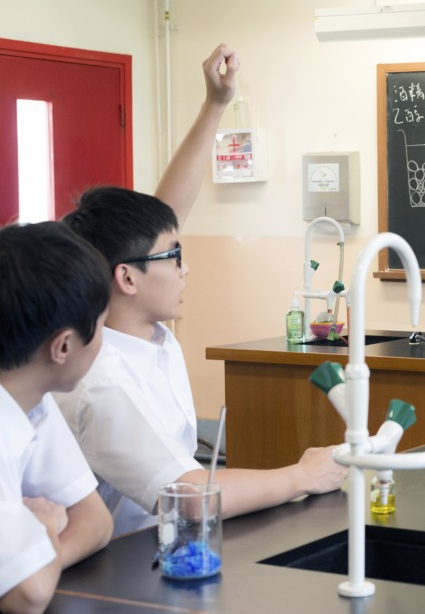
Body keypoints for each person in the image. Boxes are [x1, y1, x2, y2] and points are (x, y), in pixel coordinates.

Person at [54, 43, 348, 538]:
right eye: (176, 258)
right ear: (126, 279)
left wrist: (215, 104)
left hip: (160, 544)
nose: (186, 270)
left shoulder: (142, 330)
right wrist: (301, 475)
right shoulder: (101, 380)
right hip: (115, 573)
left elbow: (162, 221)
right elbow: (188, 495)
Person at [0, 222, 114, 614]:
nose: (104, 342)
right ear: (63, 345)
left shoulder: (31, 398)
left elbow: (95, 521)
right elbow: (28, 596)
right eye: (101, 327)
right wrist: (46, 527)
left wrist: (37, 560)